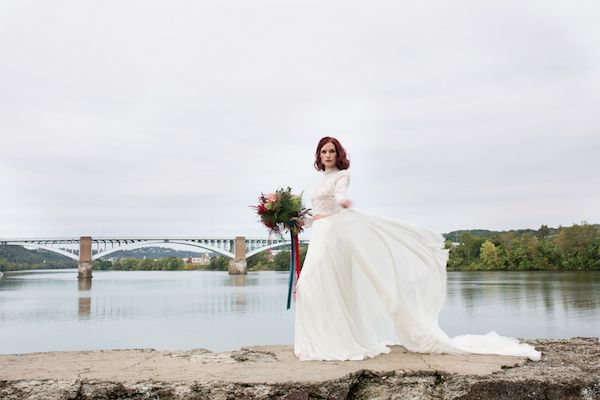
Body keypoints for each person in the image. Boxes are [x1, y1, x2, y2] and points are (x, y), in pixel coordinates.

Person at [293, 136, 541, 361]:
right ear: (318, 155)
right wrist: (297, 221)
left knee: (321, 285)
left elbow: (339, 196)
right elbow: (316, 216)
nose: (327, 155)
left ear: (338, 155)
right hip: (320, 235)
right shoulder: (318, 182)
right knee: (314, 286)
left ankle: (337, 343)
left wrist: (342, 201)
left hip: (335, 237)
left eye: (332, 151)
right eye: (324, 151)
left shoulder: (340, 177)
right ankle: (323, 341)